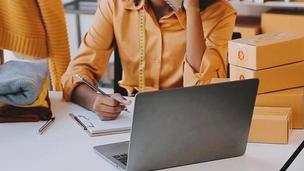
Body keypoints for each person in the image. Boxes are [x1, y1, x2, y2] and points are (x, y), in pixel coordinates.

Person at [62, 0, 237, 121]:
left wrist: (192, 8)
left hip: (188, 123)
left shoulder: (221, 13)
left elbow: (205, 95)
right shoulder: (115, 4)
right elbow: (76, 74)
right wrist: (94, 101)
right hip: (130, 120)